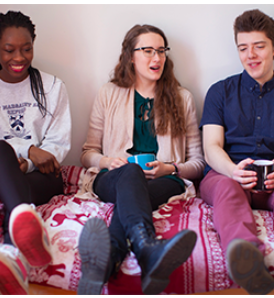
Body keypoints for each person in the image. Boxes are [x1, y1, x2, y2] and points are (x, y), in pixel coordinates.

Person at [77, 24, 201, 295]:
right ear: (130, 56)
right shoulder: (108, 93)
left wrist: (170, 167)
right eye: (147, 51)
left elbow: (198, 164)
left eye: (161, 51)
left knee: (134, 192)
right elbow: (87, 153)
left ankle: (105, 262)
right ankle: (147, 249)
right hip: (113, 177)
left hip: (164, 180)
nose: (156, 58)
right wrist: (108, 162)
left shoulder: (183, 99)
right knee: (131, 174)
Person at [199, 9, 274, 295]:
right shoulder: (219, 92)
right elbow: (211, 147)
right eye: (243, 48)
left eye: (259, 46)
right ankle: (248, 262)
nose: (251, 55)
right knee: (226, 187)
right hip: (227, 172)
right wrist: (232, 170)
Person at [0, 10, 71, 295]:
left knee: (17, 179)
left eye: (27, 49)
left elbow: (57, 146)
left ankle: (13, 246)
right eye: (9, 50)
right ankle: (22, 229)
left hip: (41, 177)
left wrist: (30, 163)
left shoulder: (53, 87)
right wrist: (28, 151)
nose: (19, 58)